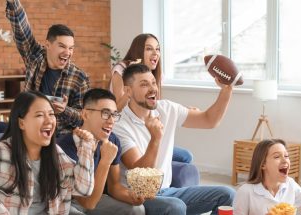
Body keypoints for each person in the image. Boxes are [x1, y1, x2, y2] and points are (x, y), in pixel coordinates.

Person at [112, 64, 235, 215]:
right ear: (129, 91)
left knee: (228, 194)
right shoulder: (119, 125)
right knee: (175, 207)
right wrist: (155, 138)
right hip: (139, 197)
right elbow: (141, 175)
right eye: (144, 84)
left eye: (153, 82)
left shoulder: (167, 108)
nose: (152, 88)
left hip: (167, 191)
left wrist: (226, 90)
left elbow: (209, 120)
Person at [0, 91, 95, 214]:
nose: (49, 121)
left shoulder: (56, 154)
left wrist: (85, 149)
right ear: (21, 123)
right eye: (40, 115)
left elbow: (83, 190)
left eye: (51, 114)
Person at [6, 0, 89, 135]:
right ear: (48, 45)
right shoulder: (35, 57)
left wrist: (64, 110)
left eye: (71, 48)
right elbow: (22, 31)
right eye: (62, 46)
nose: (67, 52)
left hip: (59, 136)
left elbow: (84, 118)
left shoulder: (80, 77)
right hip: (28, 130)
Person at [58, 88, 145, 215]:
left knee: (137, 210)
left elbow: (114, 186)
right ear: (85, 114)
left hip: (96, 198)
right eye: (105, 113)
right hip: (68, 201)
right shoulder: (64, 147)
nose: (111, 121)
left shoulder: (113, 140)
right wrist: (105, 161)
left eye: (114, 114)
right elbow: (87, 202)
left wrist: (131, 196)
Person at [110, 33, 193, 164]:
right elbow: (117, 109)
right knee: (182, 156)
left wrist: (182, 109)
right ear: (138, 51)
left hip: (146, 130)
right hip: (128, 131)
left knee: (186, 156)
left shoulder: (154, 74)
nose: (155, 53)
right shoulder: (121, 69)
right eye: (149, 49)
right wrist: (130, 89)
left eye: (157, 49)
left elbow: (153, 104)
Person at [233, 139, 301, 215]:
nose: (285, 160)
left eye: (286, 156)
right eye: (277, 157)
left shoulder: (290, 185)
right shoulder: (246, 192)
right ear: (263, 164)